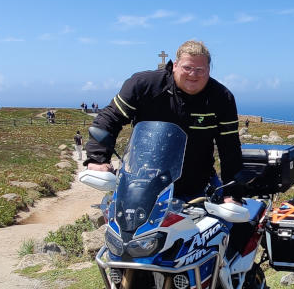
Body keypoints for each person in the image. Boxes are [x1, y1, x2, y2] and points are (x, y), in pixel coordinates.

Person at [85, 39, 243, 202]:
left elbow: (229, 146)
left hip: (197, 187)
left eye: (200, 70)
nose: (193, 74)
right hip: (140, 183)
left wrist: (231, 193)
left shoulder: (222, 98)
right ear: (175, 65)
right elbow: (110, 117)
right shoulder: (143, 85)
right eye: (187, 67)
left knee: (233, 225)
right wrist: (97, 159)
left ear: (209, 70)